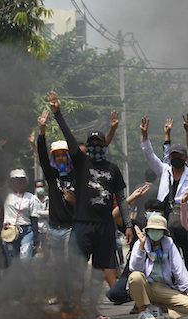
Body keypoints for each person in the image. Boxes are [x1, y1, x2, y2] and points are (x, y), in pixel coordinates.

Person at [51, 91, 133, 289]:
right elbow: (70, 139)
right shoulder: (81, 163)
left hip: (105, 226)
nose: (96, 148)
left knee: (100, 268)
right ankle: (77, 307)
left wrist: (128, 224)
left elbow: (121, 199)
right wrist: (58, 113)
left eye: (100, 145)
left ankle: (94, 308)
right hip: (83, 224)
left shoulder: (112, 168)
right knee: (77, 267)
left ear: (104, 147)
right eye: (92, 145)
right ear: (87, 148)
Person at [141, 116, 188, 280]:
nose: (176, 157)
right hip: (167, 221)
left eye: (180, 155)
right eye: (173, 155)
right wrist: (145, 136)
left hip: (187, 221)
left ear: (185, 157)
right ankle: (172, 288)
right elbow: (149, 155)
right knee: (169, 258)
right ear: (169, 157)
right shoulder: (164, 171)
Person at [128, 214, 188, 319]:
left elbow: (178, 269)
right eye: (153, 230)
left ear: (164, 232)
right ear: (147, 231)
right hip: (145, 284)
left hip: (162, 288)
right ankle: (143, 311)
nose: (155, 232)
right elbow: (134, 268)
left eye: (159, 230)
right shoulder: (140, 243)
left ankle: (160, 308)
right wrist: (141, 247)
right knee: (135, 277)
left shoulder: (169, 244)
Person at [36, 110, 76, 264]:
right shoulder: (52, 175)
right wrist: (42, 130)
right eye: (57, 155)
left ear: (68, 157)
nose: (60, 158)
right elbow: (42, 156)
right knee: (58, 264)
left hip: (70, 228)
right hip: (53, 228)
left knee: (70, 261)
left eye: (63, 155)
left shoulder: (76, 176)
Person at [1, 169, 39, 267]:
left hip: (26, 231)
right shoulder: (6, 196)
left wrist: (35, 237)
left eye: (21, 179)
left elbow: (34, 218)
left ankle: (26, 281)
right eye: (15, 179)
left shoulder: (30, 197)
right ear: (11, 182)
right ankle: (14, 281)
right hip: (10, 232)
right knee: (12, 259)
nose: (18, 182)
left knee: (25, 259)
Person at [33, 179, 50, 262]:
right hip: (35, 229)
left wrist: (39, 213)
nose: (40, 188)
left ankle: (44, 267)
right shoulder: (32, 199)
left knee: (46, 250)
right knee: (34, 248)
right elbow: (33, 214)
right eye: (38, 187)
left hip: (45, 229)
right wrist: (44, 213)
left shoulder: (48, 200)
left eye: (41, 186)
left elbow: (50, 213)